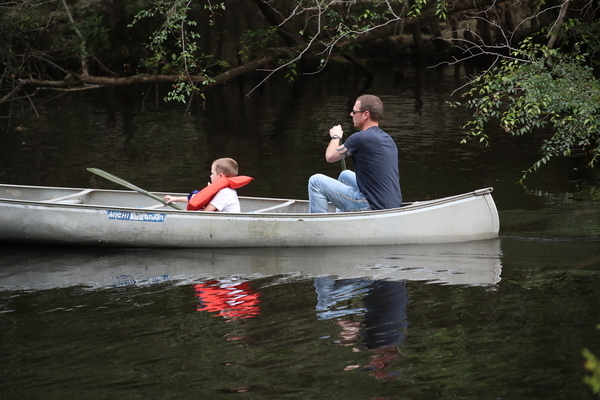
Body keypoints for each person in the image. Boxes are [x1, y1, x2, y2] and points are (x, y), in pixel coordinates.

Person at [308, 94, 402, 213]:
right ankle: (341, 220)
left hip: (372, 206)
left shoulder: (360, 138)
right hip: (391, 204)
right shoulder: (388, 139)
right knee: (345, 175)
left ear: (365, 114)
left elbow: (330, 157)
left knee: (315, 181)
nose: (351, 114)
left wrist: (336, 136)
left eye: (354, 111)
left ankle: (319, 228)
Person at [163, 157, 252, 212]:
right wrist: (175, 199)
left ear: (220, 176)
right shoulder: (224, 190)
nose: (210, 176)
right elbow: (198, 198)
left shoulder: (224, 193)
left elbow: (206, 212)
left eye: (212, 173)